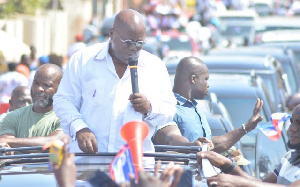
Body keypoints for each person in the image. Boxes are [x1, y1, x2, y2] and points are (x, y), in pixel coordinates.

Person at [53, 9, 176, 157]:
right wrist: (79, 128)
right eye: (128, 42)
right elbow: (64, 100)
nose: (133, 48)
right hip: (88, 163)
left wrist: (149, 108)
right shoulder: (82, 60)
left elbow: (169, 110)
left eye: (139, 43)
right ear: (112, 34)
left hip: (134, 165)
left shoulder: (154, 66)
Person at [154, 56, 263, 153]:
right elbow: (171, 139)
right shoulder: (168, 108)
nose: (208, 84)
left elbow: (211, 144)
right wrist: (192, 146)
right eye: (206, 79)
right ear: (193, 79)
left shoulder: (194, 109)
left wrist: (246, 128)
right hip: (182, 175)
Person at [197, 104, 300, 187]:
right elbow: (262, 184)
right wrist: (227, 165)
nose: (292, 128)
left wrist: (238, 183)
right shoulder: (289, 157)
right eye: (292, 122)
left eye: (299, 123)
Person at [0, 64, 65, 148]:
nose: (39, 88)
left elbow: (54, 142)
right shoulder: (12, 117)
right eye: (36, 83)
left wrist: (10, 142)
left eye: (47, 85)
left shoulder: (66, 117)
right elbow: (6, 148)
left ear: (60, 88)